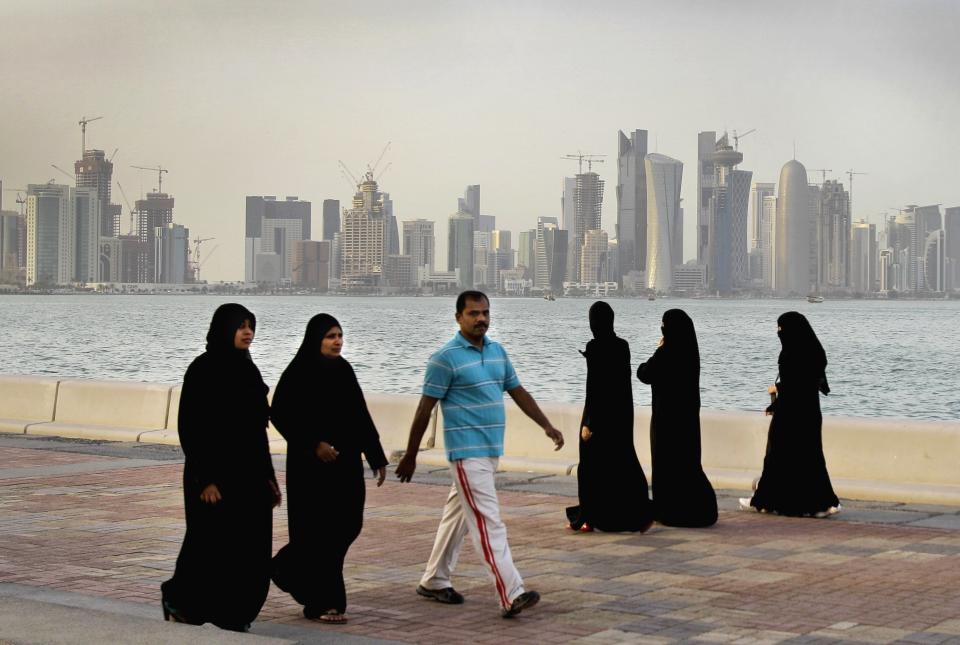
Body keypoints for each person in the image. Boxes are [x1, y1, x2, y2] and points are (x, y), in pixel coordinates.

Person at [395, 291, 564, 619]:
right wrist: (411, 454)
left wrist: (547, 425)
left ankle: (434, 579)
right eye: (473, 314)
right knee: (488, 522)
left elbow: (518, 392)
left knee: (457, 515)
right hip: (466, 453)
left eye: (485, 313)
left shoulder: (498, 352)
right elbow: (423, 410)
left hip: (489, 450)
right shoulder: (445, 359)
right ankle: (510, 592)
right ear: (458, 317)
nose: (481, 319)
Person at [161, 303, 281, 632]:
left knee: (251, 549)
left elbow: (258, 431)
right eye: (240, 326)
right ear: (223, 329)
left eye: (250, 326)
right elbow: (192, 428)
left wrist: (269, 478)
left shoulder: (248, 370)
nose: (247, 332)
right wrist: (206, 480)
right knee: (208, 546)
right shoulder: (203, 369)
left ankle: (236, 613)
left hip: (250, 476)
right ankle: (179, 599)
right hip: (213, 477)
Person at [270, 314, 388, 624]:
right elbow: (280, 413)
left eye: (339, 335)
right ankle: (324, 602)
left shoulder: (344, 370)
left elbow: (360, 415)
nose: (337, 341)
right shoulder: (298, 372)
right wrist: (313, 443)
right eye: (330, 336)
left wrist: (376, 457)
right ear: (315, 339)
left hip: (345, 466)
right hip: (310, 470)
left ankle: (283, 567)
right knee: (316, 532)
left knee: (347, 525)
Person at [566, 301, 654, 533]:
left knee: (590, 466)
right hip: (621, 416)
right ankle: (640, 513)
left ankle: (589, 516)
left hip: (598, 416)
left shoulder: (595, 347)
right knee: (624, 465)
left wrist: (589, 423)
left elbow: (596, 387)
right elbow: (620, 385)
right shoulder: (622, 346)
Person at [742, 312, 841, 518]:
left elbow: (792, 387)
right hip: (810, 414)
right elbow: (806, 385)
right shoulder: (814, 352)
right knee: (810, 458)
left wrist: (777, 403)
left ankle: (765, 501)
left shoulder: (789, 354)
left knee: (777, 457)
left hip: (789, 415)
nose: (779, 332)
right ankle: (820, 504)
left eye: (781, 328)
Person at [637, 309, 718, 528]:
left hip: (665, 420)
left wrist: (659, 349)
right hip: (687, 419)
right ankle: (697, 508)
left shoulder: (667, 352)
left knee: (667, 465)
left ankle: (669, 509)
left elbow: (644, 373)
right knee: (687, 464)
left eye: (664, 325)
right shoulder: (690, 352)